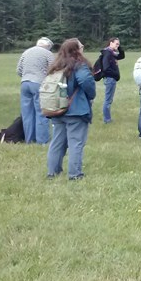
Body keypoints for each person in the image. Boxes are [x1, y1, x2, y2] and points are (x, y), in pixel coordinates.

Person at [46, 38, 96, 180]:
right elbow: (86, 81)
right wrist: (91, 95)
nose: (83, 47)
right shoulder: (80, 65)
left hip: (57, 108)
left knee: (57, 142)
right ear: (76, 49)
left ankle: (52, 172)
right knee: (76, 143)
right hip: (76, 110)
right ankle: (75, 174)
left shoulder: (56, 65)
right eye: (81, 45)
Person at [17, 37, 54, 145]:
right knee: (41, 112)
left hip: (24, 83)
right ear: (48, 47)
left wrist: (26, 76)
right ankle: (42, 141)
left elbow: (18, 70)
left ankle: (29, 139)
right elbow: (54, 68)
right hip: (39, 84)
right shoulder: (47, 53)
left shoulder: (26, 52)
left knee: (27, 113)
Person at [100, 37, 125, 124]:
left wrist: (119, 48)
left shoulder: (112, 53)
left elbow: (121, 56)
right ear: (111, 43)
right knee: (108, 100)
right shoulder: (108, 53)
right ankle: (107, 119)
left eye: (119, 44)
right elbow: (106, 68)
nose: (117, 46)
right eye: (116, 44)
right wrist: (115, 74)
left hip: (111, 79)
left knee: (109, 100)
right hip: (110, 79)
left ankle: (107, 118)